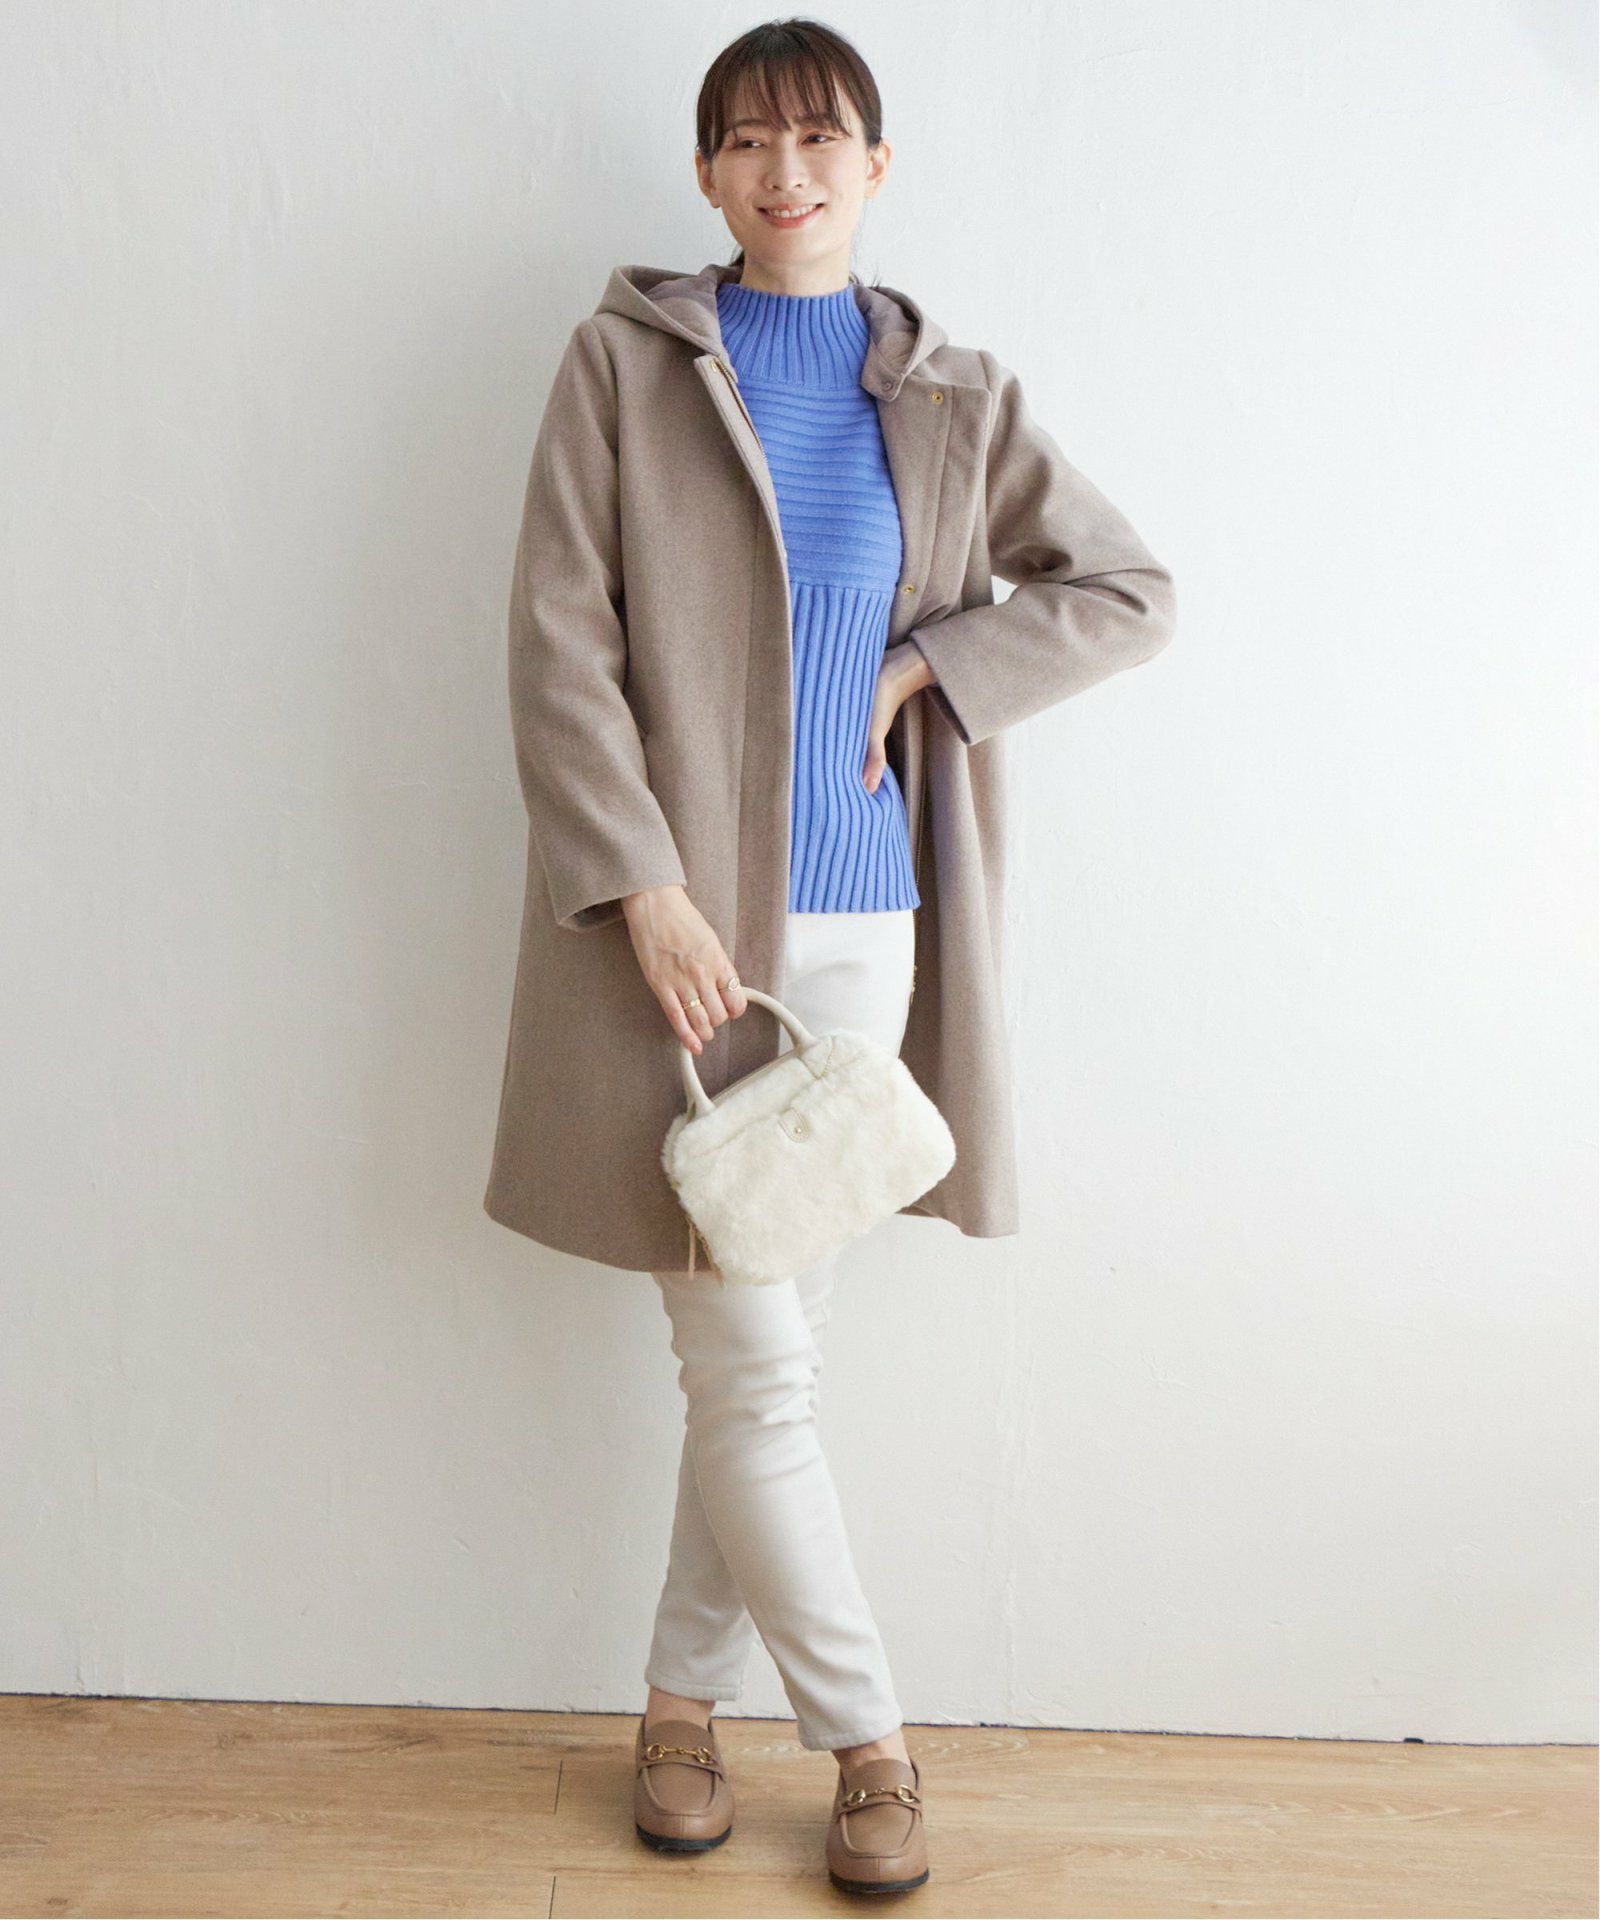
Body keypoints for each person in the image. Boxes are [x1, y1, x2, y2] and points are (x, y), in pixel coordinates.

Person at [484, 16, 1176, 1897]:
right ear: (707, 174)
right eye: (746, 138)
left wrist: (929, 662)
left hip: (869, 942)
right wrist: (643, 885)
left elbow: (1129, 591)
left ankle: (676, 1709)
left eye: (818, 136)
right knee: (757, 1367)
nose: (783, 170)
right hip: (677, 952)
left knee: (757, 1359)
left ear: (876, 166)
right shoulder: (623, 367)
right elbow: (559, 647)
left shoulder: (953, 394)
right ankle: (871, 1744)